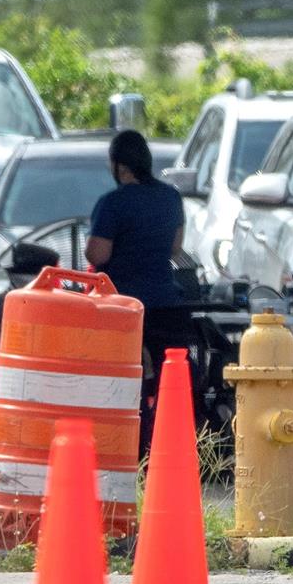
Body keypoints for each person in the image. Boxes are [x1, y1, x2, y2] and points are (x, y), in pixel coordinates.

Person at [88, 129, 187, 448]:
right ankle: (167, 437)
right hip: (165, 305)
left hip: (122, 307)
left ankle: (129, 441)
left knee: (124, 380)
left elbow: (98, 254)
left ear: (120, 166)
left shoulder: (113, 203)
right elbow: (175, 247)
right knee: (165, 377)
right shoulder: (171, 196)